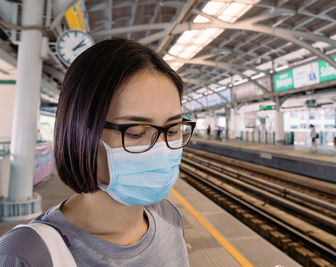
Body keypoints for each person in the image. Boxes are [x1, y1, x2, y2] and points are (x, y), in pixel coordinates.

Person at [0, 39, 195, 266]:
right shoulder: (23, 255)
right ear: (81, 132)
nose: (161, 149)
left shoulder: (169, 216)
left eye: (172, 130)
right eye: (136, 132)